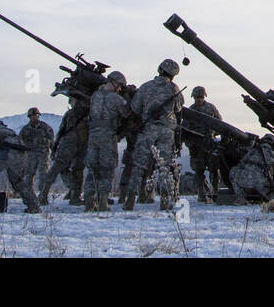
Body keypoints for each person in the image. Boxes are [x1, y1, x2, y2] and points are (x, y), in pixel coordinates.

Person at [123, 60, 184, 211]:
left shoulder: (146, 87)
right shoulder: (173, 88)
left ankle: (130, 200)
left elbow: (135, 108)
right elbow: (178, 108)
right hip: (166, 132)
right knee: (165, 166)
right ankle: (164, 201)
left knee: (138, 165)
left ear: (159, 69)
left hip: (148, 129)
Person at [83, 72, 132, 211]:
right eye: (120, 85)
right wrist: (128, 97)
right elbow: (126, 113)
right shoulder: (115, 99)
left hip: (93, 136)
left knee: (92, 169)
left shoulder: (95, 96)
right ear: (114, 82)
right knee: (107, 169)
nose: (120, 89)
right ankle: (103, 202)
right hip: (107, 137)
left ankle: (89, 201)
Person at [40, 95, 87, 206]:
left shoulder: (72, 113)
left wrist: (56, 146)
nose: (71, 103)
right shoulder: (83, 113)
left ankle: (45, 194)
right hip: (75, 142)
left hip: (74, 142)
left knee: (67, 168)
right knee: (64, 168)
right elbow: (62, 130)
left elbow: (61, 130)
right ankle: (45, 194)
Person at [184, 86, 222, 202]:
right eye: (197, 97)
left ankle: (215, 192)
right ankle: (201, 194)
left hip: (210, 144)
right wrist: (190, 144)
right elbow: (185, 128)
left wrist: (214, 134)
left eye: (200, 97)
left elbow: (220, 124)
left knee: (214, 170)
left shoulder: (211, 108)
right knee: (198, 171)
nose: (199, 100)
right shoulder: (190, 111)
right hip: (197, 146)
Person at [229, 134, 274, 202]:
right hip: (262, 185)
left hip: (245, 182)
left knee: (233, 170)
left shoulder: (251, 152)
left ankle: (240, 197)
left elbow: (241, 165)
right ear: (273, 144)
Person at [19, 107, 53, 198]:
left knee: (43, 175)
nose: (35, 117)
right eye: (32, 116)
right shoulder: (25, 129)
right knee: (29, 175)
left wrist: (49, 146)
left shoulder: (45, 127)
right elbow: (20, 141)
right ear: (29, 117)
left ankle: (43, 196)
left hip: (43, 153)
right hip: (30, 154)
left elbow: (52, 139)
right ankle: (29, 195)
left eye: (36, 115)